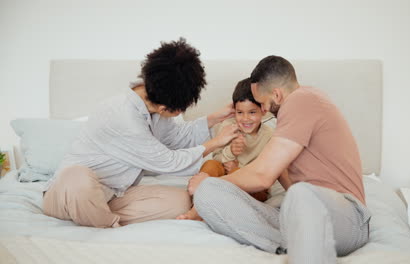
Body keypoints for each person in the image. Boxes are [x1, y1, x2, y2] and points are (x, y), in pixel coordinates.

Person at [188, 56, 371, 264]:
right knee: (208, 194)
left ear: (277, 94)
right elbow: (276, 174)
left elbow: (263, 176)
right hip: (298, 215)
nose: (264, 111)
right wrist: (210, 185)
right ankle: (292, 245)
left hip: (345, 217)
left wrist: (210, 181)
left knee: (301, 194)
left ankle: (303, 245)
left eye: (263, 104)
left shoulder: (302, 99)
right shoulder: (295, 115)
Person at [42, 38, 239, 228]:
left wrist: (215, 118)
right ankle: (106, 223)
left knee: (179, 201)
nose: (182, 111)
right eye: (181, 109)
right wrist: (216, 142)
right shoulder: (121, 115)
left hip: (113, 194)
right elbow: (168, 162)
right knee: (78, 178)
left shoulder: (154, 100)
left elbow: (176, 138)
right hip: (68, 193)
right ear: (164, 108)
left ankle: (95, 215)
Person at [177, 77, 273, 220]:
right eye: (240, 113)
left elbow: (265, 170)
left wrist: (237, 169)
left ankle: (219, 207)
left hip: (252, 185)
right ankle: (197, 209)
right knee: (210, 164)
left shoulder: (269, 136)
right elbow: (217, 157)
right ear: (234, 111)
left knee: (236, 172)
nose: (245, 119)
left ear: (263, 111)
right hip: (224, 178)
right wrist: (230, 152)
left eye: (252, 112)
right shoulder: (228, 127)